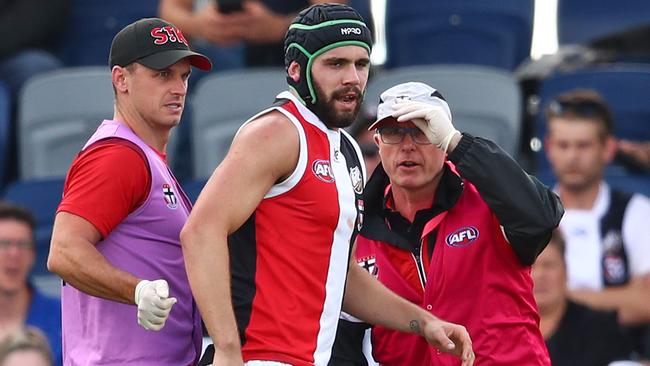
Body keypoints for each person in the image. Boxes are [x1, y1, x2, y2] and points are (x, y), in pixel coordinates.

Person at [181, 4, 474, 366]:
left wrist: (424, 322)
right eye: (335, 64)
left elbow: (343, 277)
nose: (352, 77)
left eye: (361, 64)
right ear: (295, 70)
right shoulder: (276, 133)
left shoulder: (347, 147)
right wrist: (226, 349)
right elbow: (200, 231)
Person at [331, 81, 565, 365]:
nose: (407, 146)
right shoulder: (355, 224)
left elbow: (541, 217)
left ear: (442, 139)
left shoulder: (489, 199)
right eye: (393, 132)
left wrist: (458, 143)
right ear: (378, 143)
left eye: (422, 131)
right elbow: (342, 343)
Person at [46, 18, 212, 365]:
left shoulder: (143, 157)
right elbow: (63, 251)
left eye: (184, 76)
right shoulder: (119, 156)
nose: (179, 88)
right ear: (121, 79)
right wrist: (137, 290)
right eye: (162, 74)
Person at [544, 90, 650, 326]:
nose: (572, 156)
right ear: (549, 148)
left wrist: (556, 301)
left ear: (608, 149)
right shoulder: (531, 213)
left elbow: (646, 302)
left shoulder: (637, 211)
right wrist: (622, 297)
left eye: (583, 146)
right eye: (563, 145)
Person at [532, 229, 634, 366]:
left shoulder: (600, 329)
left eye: (549, 266)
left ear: (566, 271)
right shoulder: (501, 328)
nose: (540, 275)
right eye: (530, 267)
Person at [158, 0, 349, 68]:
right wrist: (200, 25)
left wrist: (281, 27)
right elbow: (170, 11)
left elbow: (332, 13)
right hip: (215, 69)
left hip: (291, 66)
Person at [0, 202, 61, 365]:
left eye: (22, 244)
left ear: (33, 255)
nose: (14, 254)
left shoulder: (62, 318)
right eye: (4, 244)